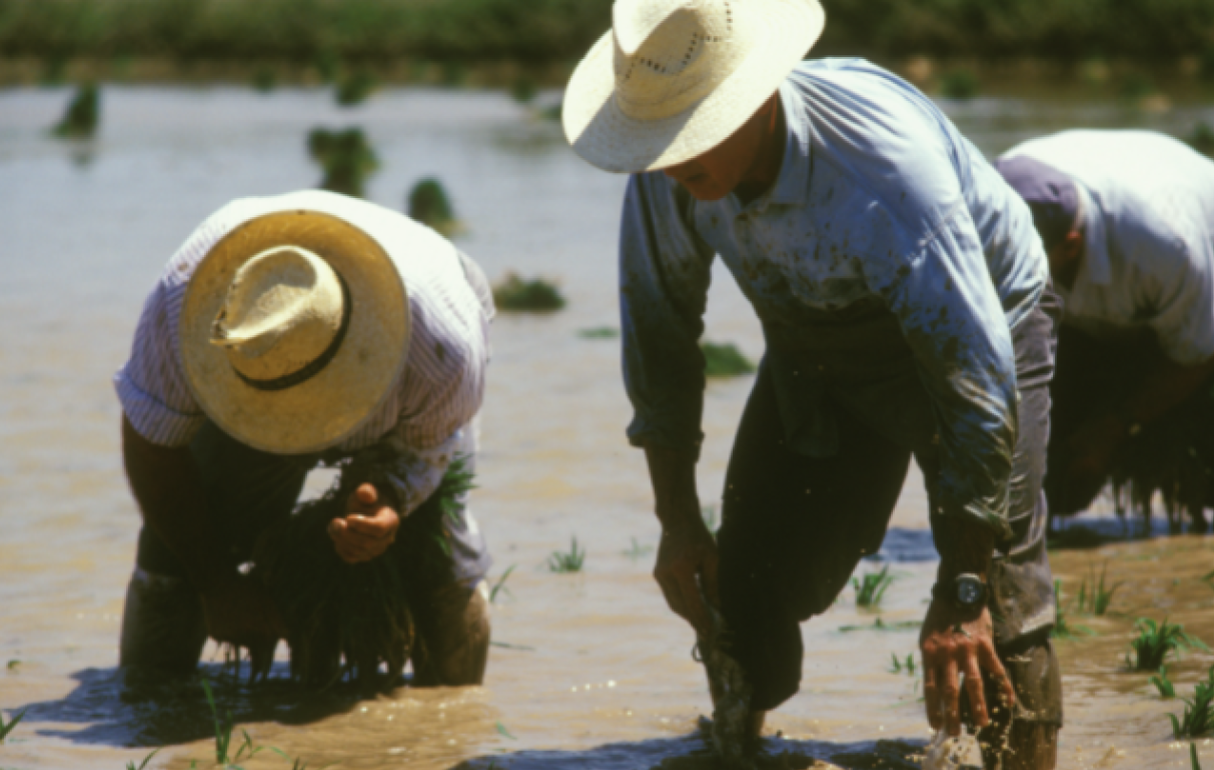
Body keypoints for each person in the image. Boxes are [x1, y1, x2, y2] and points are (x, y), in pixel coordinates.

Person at [560, 0, 1061, 766]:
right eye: (658, 142)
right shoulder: (667, 175)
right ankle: (736, 751)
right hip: (813, 337)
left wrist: (961, 587)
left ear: (753, 101)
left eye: (689, 137)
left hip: (985, 325)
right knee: (743, 583)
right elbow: (660, 342)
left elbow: (975, 377)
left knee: (996, 606)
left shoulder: (880, 168)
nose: (666, 163)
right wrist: (676, 521)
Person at [115, 189, 494, 686]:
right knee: (173, 562)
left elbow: (429, 446)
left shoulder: (440, 344)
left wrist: (391, 500)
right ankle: (149, 706)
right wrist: (217, 584)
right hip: (247, 370)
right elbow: (153, 444)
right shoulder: (185, 303)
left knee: (444, 569)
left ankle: (450, 728)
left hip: (418, 333)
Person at [996, 131, 1214, 533]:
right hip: (1084, 319)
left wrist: (1108, 431)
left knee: (1199, 472)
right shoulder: (1008, 182)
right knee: (1034, 471)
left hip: (1195, 323)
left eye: (1025, 262)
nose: (1009, 270)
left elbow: (1196, 355)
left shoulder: (1165, 249)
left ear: (1072, 245)